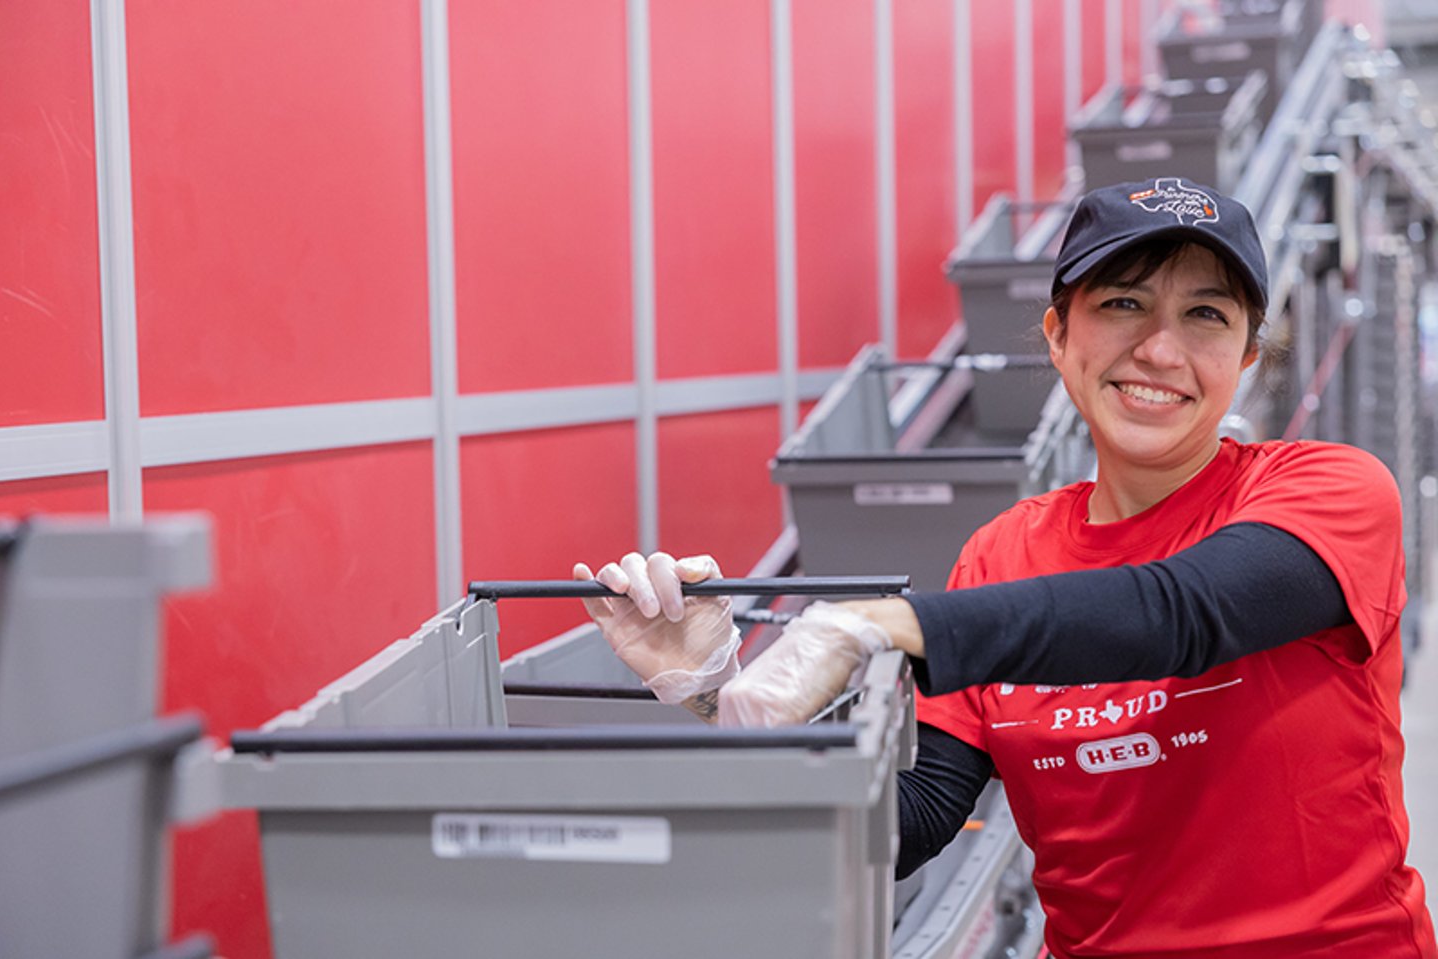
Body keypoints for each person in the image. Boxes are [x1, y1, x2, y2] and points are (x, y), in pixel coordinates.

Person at [575, 177, 1437, 958]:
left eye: (1207, 315)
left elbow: (1180, 612)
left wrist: (876, 623)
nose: (1161, 351)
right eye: (1124, 303)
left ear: (1247, 355)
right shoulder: (1002, 554)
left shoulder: (1328, 490)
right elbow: (910, 825)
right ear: (1060, 337)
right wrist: (711, 686)